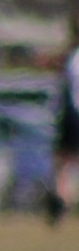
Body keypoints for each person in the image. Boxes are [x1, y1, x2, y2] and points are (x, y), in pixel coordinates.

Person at [50, 20, 79, 227]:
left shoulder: (71, 59)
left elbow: (63, 90)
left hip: (72, 114)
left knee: (63, 164)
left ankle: (60, 203)